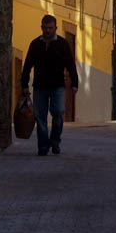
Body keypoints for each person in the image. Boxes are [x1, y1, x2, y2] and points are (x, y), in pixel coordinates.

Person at [20, 14, 79, 156]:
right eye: (45, 28)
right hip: (40, 86)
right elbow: (27, 65)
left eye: (50, 28)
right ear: (41, 28)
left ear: (55, 28)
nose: (47, 31)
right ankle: (43, 147)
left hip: (57, 86)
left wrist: (74, 83)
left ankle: (55, 141)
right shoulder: (35, 44)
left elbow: (71, 65)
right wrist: (24, 85)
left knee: (58, 113)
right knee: (40, 117)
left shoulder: (63, 44)